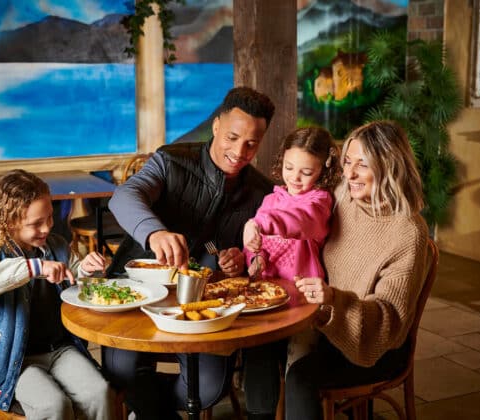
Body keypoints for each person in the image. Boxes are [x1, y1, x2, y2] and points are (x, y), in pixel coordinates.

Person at [103, 86, 276, 419]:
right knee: (120, 373)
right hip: (138, 292)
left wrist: (241, 257)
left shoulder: (261, 191)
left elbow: (259, 250)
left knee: (209, 390)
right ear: (216, 127)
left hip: (203, 308)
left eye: (251, 143)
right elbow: (123, 197)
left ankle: (147, 409)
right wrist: (155, 232)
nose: (239, 152)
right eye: (232, 137)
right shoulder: (170, 160)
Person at [285, 120, 430, 419]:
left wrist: (333, 299)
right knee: (262, 349)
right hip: (326, 320)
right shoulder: (342, 197)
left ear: (389, 165)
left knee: (300, 377)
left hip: (377, 344)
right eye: (347, 162)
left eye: (361, 165)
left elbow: (389, 318)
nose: (349, 174)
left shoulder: (408, 232)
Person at [0, 169, 114, 420]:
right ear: (8, 221)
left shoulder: (55, 245)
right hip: (12, 359)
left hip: (59, 349)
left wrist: (87, 271)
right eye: (35, 223)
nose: (46, 228)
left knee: (100, 391)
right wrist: (36, 267)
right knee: (53, 405)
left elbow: (76, 278)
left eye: (49, 218)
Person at [239, 127, 341, 420]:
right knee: (257, 352)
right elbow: (258, 248)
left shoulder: (319, 203)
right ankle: (260, 414)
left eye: (306, 171)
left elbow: (300, 221)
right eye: (288, 167)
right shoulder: (272, 199)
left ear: (323, 171)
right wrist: (254, 257)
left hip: (304, 301)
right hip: (268, 297)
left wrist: (259, 223)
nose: (295, 178)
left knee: (298, 365)